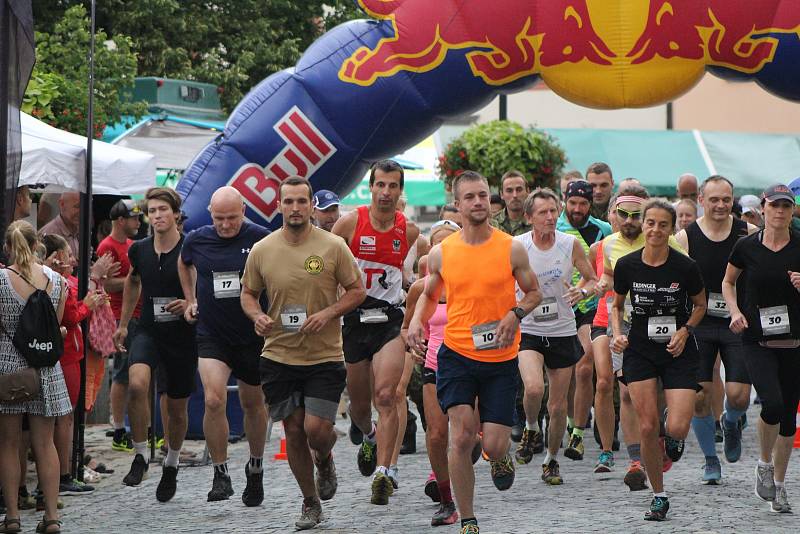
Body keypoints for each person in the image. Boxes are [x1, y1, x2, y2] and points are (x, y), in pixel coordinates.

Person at [408, 171, 541, 534]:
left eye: (483, 195)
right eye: (470, 197)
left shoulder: (510, 247)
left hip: (500, 360)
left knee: (494, 445)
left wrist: (514, 315)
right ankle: (467, 519)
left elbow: (533, 294)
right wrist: (418, 322)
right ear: (458, 204)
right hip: (456, 356)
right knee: (462, 435)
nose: (479, 202)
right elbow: (428, 293)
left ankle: (501, 456)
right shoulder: (442, 252)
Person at [241, 176, 365, 529]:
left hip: (324, 355)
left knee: (316, 429)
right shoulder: (263, 249)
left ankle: (324, 456)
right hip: (278, 355)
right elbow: (248, 294)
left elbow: (357, 290)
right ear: (279, 206)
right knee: (294, 431)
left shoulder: (332, 246)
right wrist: (257, 315)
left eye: (301, 202)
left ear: (312, 206)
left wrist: (328, 313)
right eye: (288, 202)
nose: (295, 208)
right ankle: (310, 503)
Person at [611, 199, 706, 521]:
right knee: (648, 425)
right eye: (649, 222)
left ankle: (672, 436)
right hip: (639, 349)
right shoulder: (626, 265)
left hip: (677, 350)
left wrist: (685, 330)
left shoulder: (685, 266)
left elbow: (700, 304)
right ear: (643, 224)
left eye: (662, 224)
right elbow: (616, 305)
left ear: (671, 228)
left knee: (676, 426)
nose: (654, 229)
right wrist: (617, 333)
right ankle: (659, 495)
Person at [331, 159, 420, 504]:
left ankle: (385, 472)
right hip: (354, 322)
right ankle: (368, 436)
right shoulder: (350, 223)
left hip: (390, 321)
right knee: (359, 404)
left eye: (393, 186)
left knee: (387, 395)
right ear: (371, 187)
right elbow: (323, 261)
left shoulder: (409, 230)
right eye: (380, 185)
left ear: (400, 191)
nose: (386, 192)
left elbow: (424, 268)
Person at [178, 186, 270, 504]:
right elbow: (184, 261)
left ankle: (255, 467)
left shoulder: (260, 237)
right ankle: (220, 473)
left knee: (252, 404)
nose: (226, 225)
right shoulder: (197, 238)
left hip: (250, 335)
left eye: (231, 218)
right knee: (214, 399)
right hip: (212, 333)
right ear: (210, 213)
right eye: (219, 219)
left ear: (243, 211)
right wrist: (191, 300)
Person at [596, 186, 686, 490]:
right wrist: (595, 288)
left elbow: (685, 278)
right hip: (625, 326)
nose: (630, 219)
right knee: (625, 394)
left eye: (637, 214)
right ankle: (636, 459)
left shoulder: (671, 242)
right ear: (614, 215)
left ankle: (661, 432)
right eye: (624, 213)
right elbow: (610, 280)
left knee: (659, 392)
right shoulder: (608, 245)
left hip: (663, 326)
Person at [113, 187, 196, 502]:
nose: (158, 215)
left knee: (176, 408)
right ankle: (139, 455)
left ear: (175, 214)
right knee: (136, 384)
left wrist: (188, 303)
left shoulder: (190, 249)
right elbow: (133, 281)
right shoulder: (139, 249)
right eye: (152, 211)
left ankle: (171, 464)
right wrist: (122, 325)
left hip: (181, 335)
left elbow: (200, 290)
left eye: (163, 209)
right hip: (147, 328)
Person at [723, 183, 800, 514]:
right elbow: (727, 282)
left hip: (795, 341)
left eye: (786, 206)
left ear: (792, 210)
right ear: (764, 208)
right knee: (772, 402)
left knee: (788, 419)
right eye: (774, 205)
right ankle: (764, 463)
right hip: (756, 338)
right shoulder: (746, 246)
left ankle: (779, 485)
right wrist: (735, 311)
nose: (780, 211)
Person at [514, 188, 598, 487]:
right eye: (542, 213)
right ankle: (530, 426)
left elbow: (593, 278)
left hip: (562, 329)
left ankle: (551, 459)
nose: (550, 218)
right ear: (529, 218)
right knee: (534, 388)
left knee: (559, 404)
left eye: (553, 211)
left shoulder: (569, 244)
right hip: (529, 329)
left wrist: (583, 290)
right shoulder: (517, 246)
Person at [675, 175, 756, 485]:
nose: (720, 205)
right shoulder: (686, 237)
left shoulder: (747, 233)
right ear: (701, 201)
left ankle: (732, 422)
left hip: (737, 321)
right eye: (714, 199)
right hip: (700, 324)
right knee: (698, 397)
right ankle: (710, 459)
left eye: (726, 199)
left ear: (732, 200)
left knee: (737, 396)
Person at [0, 220, 69, 534]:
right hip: (45, 368)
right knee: (45, 444)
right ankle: (52, 516)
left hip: (9, 367)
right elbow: (55, 327)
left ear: (8, 247)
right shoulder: (57, 280)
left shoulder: (1, 280)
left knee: (9, 443)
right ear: (36, 244)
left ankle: (12, 516)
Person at [40, 235, 109, 497]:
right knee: (64, 418)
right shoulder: (56, 281)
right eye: (68, 254)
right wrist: (87, 305)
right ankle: (63, 473)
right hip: (66, 354)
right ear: (56, 257)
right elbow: (71, 315)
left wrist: (94, 280)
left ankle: (64, 471)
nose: (72, 259)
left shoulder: (64, 280)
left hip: (71, 353)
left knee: (65, 417)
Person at [402, 219, 460, 526]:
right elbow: (408, 327)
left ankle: (494, 452)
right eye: (439, 245)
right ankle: (447, 500)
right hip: (434, 364)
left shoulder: (473, 281)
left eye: (450, 244)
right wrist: (413, 344)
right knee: (437, 434)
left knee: (469, 438)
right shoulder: (421, 288)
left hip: (470, 365)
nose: (444, 250)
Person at [555, 180, 612, 462]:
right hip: (559, 306)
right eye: (573, 203)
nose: (577, 209)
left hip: (591, 304)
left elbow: (607, 267)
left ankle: (578, 433)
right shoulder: (553, 227)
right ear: (564, 201)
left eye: (583, 204)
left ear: (591, 204)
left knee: (584, 365)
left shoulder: (604, 230)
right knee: (563, 372)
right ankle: (568, 420)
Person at [97, 199, 143, 452]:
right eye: (134, 218)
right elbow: (103, 282)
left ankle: (137, 427)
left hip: (136, 313)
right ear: (120, 220)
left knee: (136, 372)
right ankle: (118, 429)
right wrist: (133, 278)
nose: (139, 222)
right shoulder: (108, 246)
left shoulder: (132, 245)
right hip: (118, 314)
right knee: (122, 373)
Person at [38, 192, 81, 259]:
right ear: (62, 204)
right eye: (77, 206)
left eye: (84, 206)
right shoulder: (49, 235)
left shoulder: (78, 231)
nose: (81, 211)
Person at [491, 170, 531, 236]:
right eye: (509, 191)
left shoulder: (536, 222)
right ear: (501, 194)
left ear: (527, 192)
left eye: (519, 190)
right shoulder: (491, 223)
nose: (515, 195)